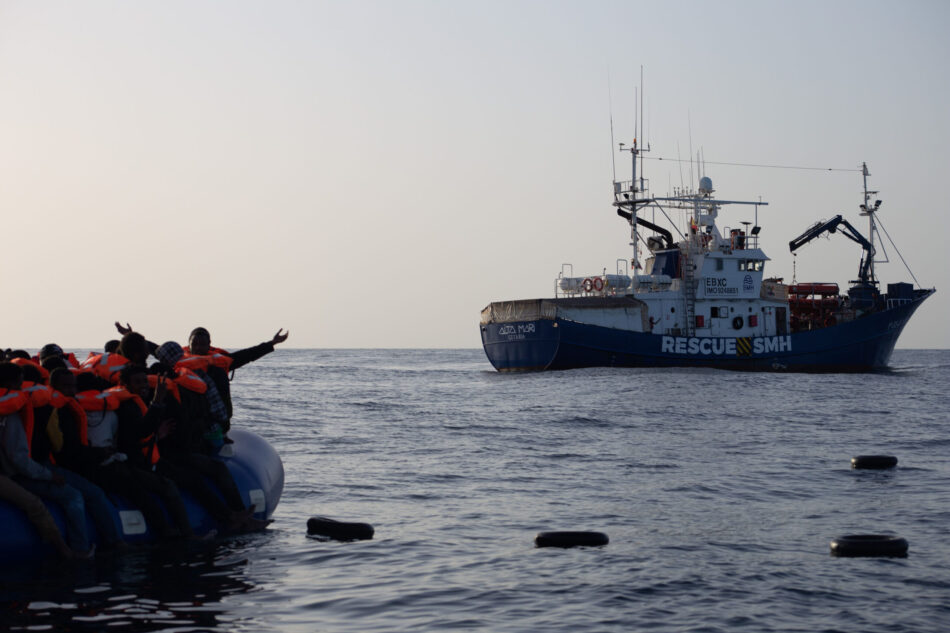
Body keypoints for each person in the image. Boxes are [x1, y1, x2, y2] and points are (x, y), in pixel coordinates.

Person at [0, 362, 95, 558]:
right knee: (37, 505)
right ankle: (71, 552)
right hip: (14, 474)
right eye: (19, 384)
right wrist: (49, 476)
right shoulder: (11, 415)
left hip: (14, 471)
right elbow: (18, 459)